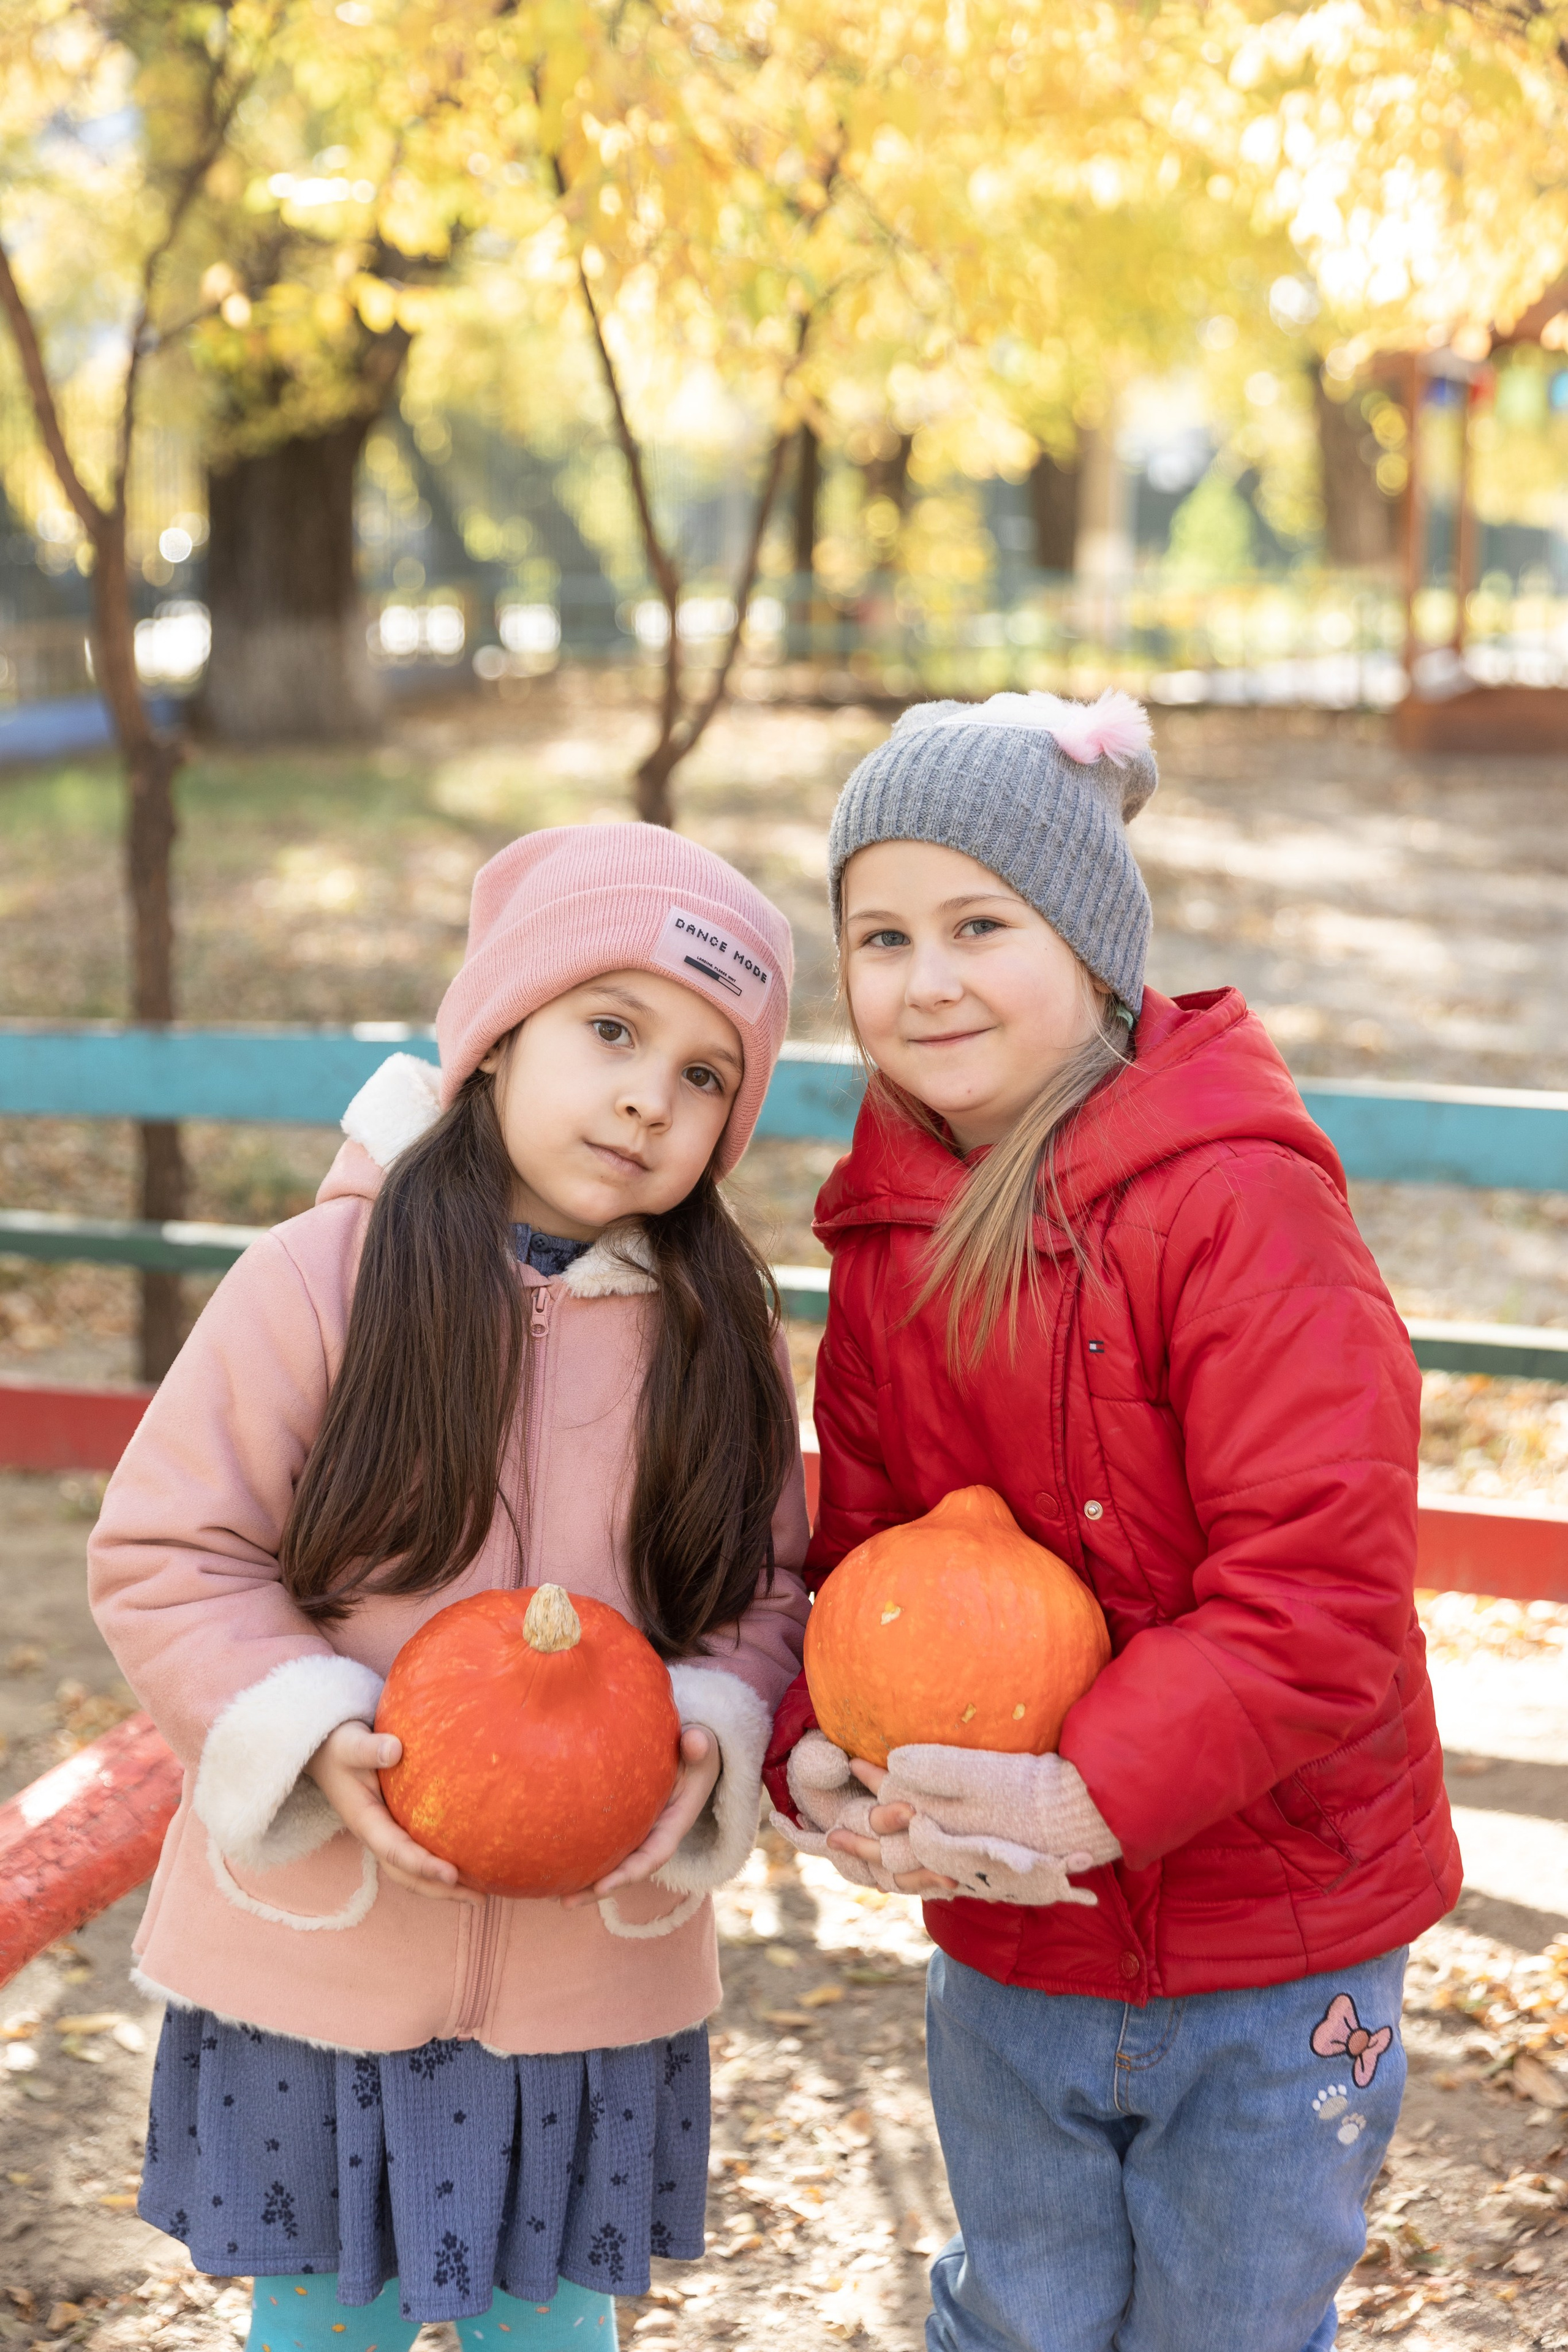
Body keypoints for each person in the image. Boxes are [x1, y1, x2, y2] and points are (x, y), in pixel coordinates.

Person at [763, 692, 1460, 2352]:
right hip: (1015, 1950)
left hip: (1274, 1941)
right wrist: (824, 1750)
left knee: (1227, 2324)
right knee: (1025, 2314)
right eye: (881, 936)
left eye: (977, 924)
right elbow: (862, 1561)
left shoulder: (1239, 1207)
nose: (925, 978)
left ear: (1086, 942)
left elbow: (1320, 1593)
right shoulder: (882, 1247)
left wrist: (1091, 1790)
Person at [89, 824, 810, 2352]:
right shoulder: (317, 1280)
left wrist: (703, 1723)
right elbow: (171, 1550)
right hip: (324, 1951)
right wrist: (302, 1729)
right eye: (610, 1031)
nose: (647, 1097)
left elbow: (762, 1584)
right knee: (321, 2326)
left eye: (703, 1076)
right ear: (493, 1041)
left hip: (583, 1966)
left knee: (547, 2327)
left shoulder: (714, 1337)